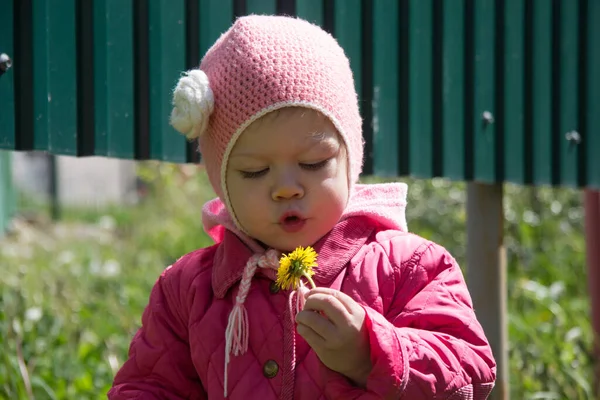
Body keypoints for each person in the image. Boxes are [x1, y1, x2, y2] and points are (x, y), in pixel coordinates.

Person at [108, 15, 496, 400]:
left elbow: (471, 375)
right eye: (255, 171)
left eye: (313, 163)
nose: (287, 189)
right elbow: (148, 386)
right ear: (221, 183)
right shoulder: (190, 290)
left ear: (349, 159)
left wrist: (371, 355)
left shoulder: (407, 267)